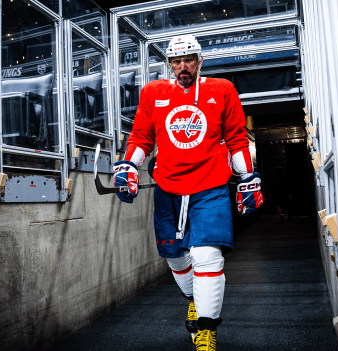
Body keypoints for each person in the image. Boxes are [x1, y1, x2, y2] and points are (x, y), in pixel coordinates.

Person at [112, 34, 263, 351]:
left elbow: (236, 139)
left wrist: (248, 177)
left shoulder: (221, 90)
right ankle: (195, 299)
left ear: (200, 60)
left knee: (206, 255)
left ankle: (206, 330)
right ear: (169, 64)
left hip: (210, 187)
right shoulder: (153, 92)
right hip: (168, 188)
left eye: (189, 59)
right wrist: (128, 166)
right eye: (176, 61)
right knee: (176, 258)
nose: (183, 66)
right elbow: (141, 137)